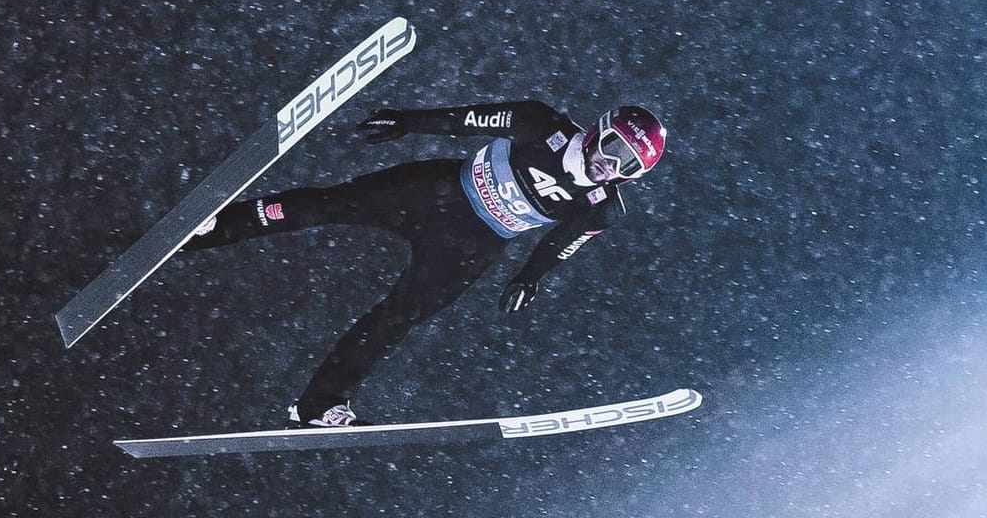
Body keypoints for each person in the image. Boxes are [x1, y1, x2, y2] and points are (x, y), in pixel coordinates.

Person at [182, 99, 667, 427]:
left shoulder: (603, 206)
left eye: (630, 167)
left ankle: (320, 404)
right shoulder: (541, 124)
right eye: (614, 148)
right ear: (600, 130)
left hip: (473, 245)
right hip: (435, 191)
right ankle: (213, 228)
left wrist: (529, 277)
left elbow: (562, 243)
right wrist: (407, 122)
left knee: (397, 319)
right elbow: (468, 120)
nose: (613, 165)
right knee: (329, 204)